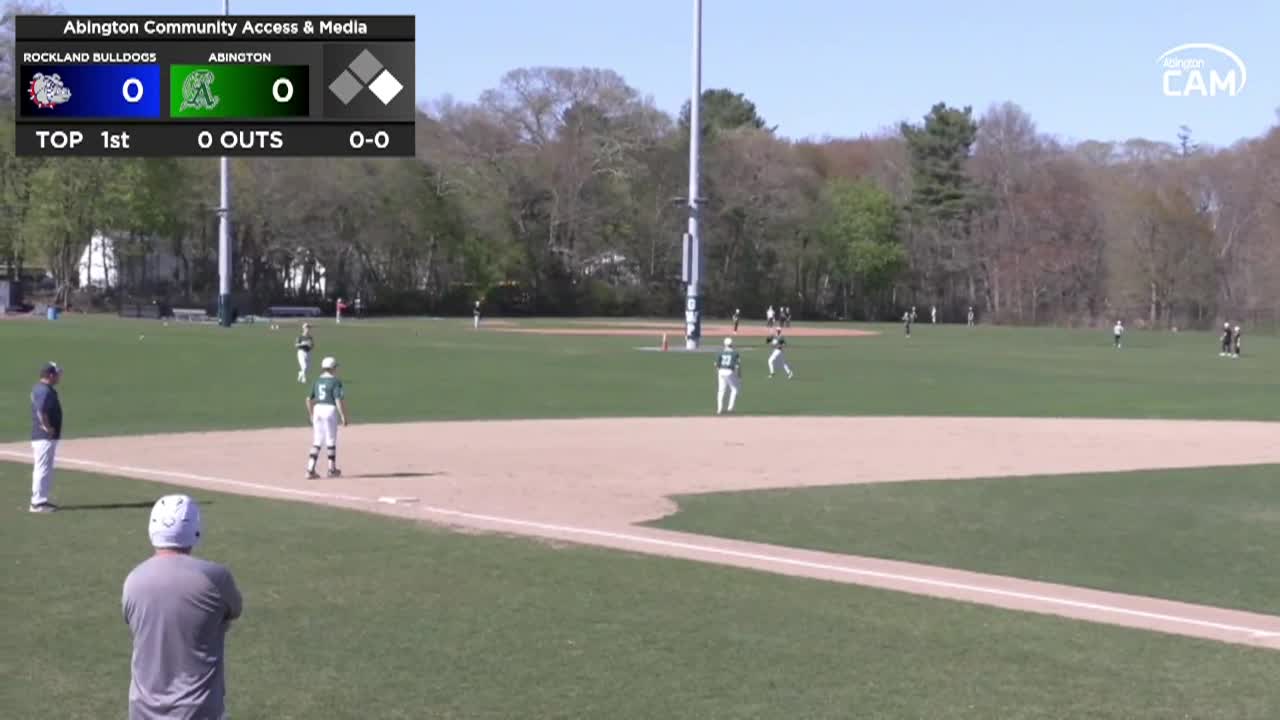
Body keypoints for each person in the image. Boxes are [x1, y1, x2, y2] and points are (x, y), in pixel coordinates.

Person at [123, 495, 242, 720]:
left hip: (142, 712)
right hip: (199, 711)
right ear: (195, 528)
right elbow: (234, 610)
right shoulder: (215, 578)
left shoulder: (133, 580)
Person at [306, 356, 349, 479]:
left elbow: (308, 399)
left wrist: (311, 414)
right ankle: (331, 469)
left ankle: (310, 469)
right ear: (333, 368)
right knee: (330, 440)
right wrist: (343, 416)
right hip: (329, 410)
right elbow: (338, 400)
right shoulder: (336, 381)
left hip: (317, 409)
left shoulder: (317, 380)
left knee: (317, 440)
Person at [29, 362, 63, 513]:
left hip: (44, 437)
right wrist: (47, 427)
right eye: (56, 374)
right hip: (44, 437)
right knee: (42, 469)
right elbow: (40, 411)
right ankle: (37, 503)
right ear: (50, 375)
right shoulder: (44, 390)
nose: (58, 377)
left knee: (44, 468)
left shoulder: (41, 388)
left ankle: (41, 501)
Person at [714, 337, 741, 415]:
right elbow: (737, 365)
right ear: (731, 344)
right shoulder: (735, 353)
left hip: (721, 371)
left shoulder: (720, 352)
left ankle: (719, 409)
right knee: (734, 389)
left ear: (724, 344)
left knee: (721, 391)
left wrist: (718, 373)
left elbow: (716, 365)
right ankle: (730, 408)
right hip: (729, 371)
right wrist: (739, 374)